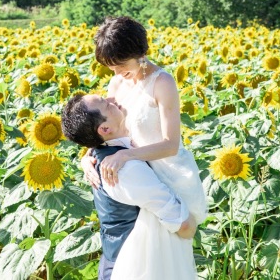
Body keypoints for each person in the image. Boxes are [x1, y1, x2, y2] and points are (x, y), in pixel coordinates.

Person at [85, 16, 208, 226]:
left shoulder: (162, 83)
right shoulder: (116, 83)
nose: (116, 72)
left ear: (140, 53)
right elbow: (109, 129)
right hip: (136, 180)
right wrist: (88, 157)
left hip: (169, 178)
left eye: (121, 65)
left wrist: (126, 155)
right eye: (111, 67)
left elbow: (171, 145)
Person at [62, 93, 197, 280]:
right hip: (133, 268)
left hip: (115, 261)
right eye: (106, 104)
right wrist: (193, 221)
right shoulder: (125, 170)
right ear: (105, 129)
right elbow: (183, 224)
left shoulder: (102, 152)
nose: (113, 99)